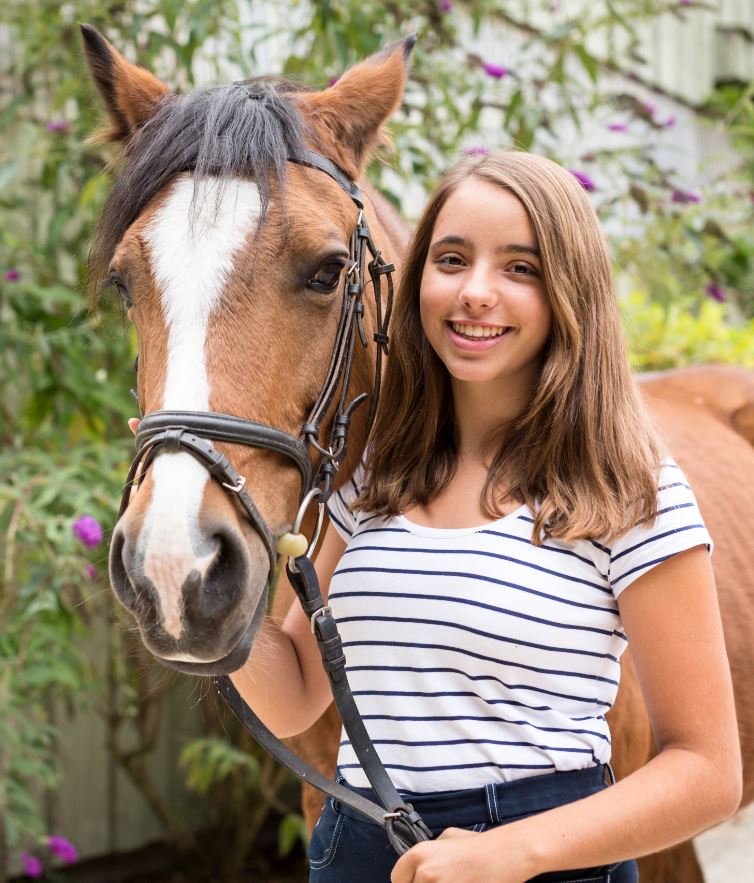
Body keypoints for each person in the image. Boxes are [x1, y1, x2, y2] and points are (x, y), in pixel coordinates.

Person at [226, 151, 741, 881]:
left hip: (548, 861)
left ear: (571, 292)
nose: (475, 292)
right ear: (417, 280)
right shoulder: (372, 473)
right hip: (363, 848)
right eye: (452, 258)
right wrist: (201, 581)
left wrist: (509, 852)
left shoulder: (624, 484)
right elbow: (296, 697)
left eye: (519, 269)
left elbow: (707, 768)